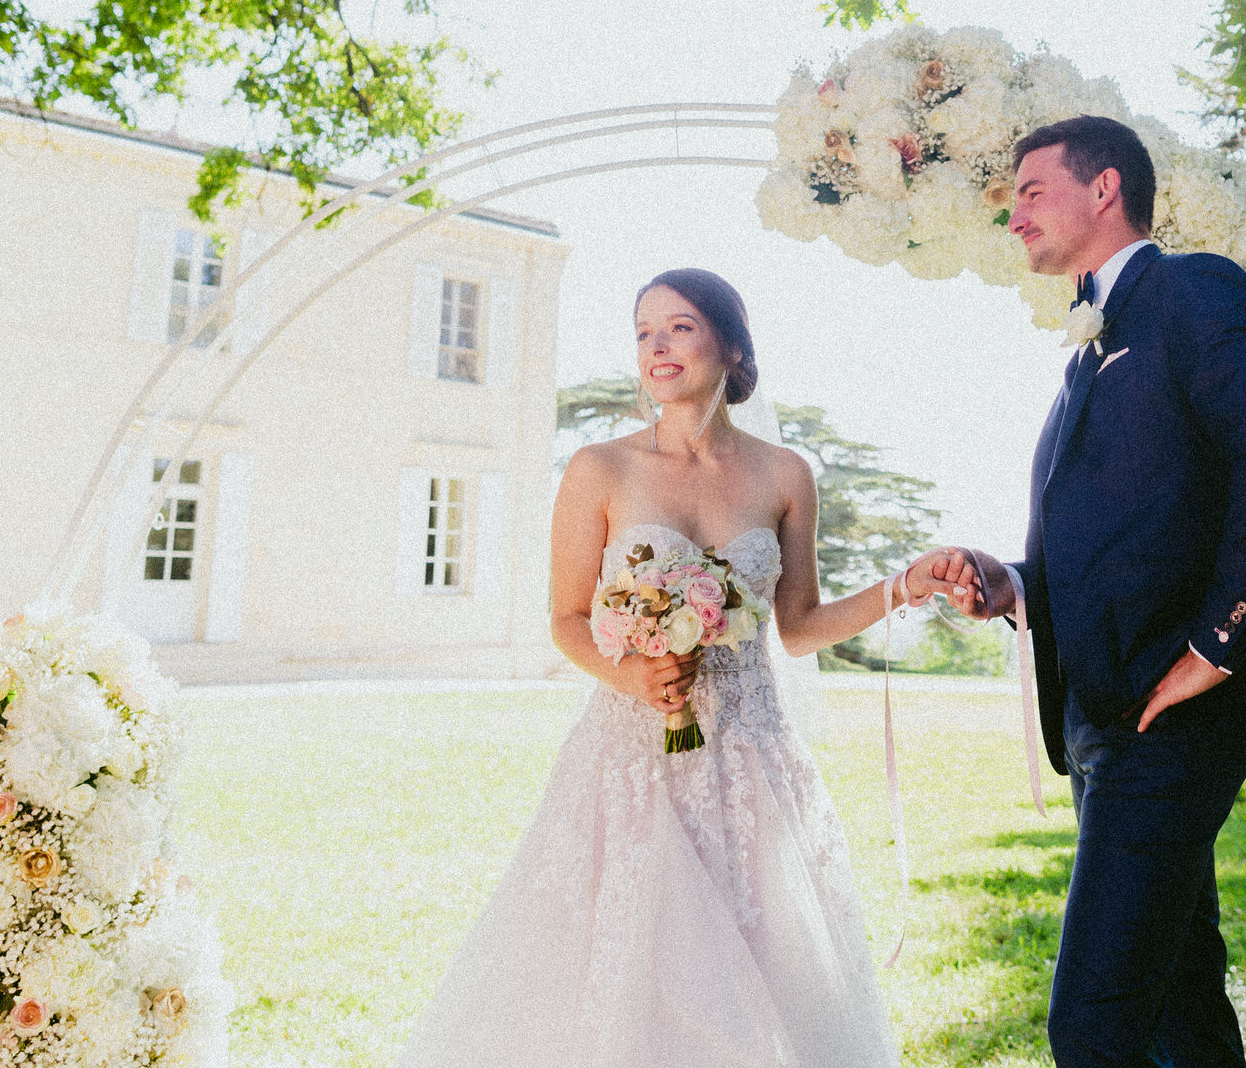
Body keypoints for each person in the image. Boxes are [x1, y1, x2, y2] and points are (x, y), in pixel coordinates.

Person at [398, 267, 961, 1068]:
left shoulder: (785, 474)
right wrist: (629, 675)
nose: (657, 347)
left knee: (765, 978)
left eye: (681, 327)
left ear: (731, 344)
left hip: (752, 766)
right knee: (638, 973)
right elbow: (564, 619)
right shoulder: (600, 469)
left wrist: (903, 584)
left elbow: (797, 628)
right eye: (643, 333)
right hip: (633, 764)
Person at [934, 115, 1246, 1068]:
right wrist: (1010, 583)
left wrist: (1213, 649)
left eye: (1030, 193)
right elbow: (1121, 541)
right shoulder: (1083, 349)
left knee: (1094, 1023)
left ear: (1104, 188)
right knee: (1180, 1006)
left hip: (1173, 715)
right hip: (1100, 720)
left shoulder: (1195, 289)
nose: (1013, 216)